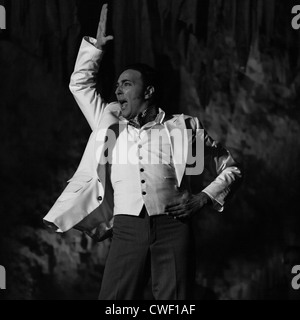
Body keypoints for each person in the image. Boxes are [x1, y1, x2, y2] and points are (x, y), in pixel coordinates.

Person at [44, 3, 242, 300]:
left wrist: (202, 198)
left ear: (148, 92)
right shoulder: (107, 119)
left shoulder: (183, 127)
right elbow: (80, 84)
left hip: (174, 227)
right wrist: (94, 49)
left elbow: (231, 169)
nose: (118, 91)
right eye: (117, 86)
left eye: (126, 84)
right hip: (126, 227)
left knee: (174, 303)